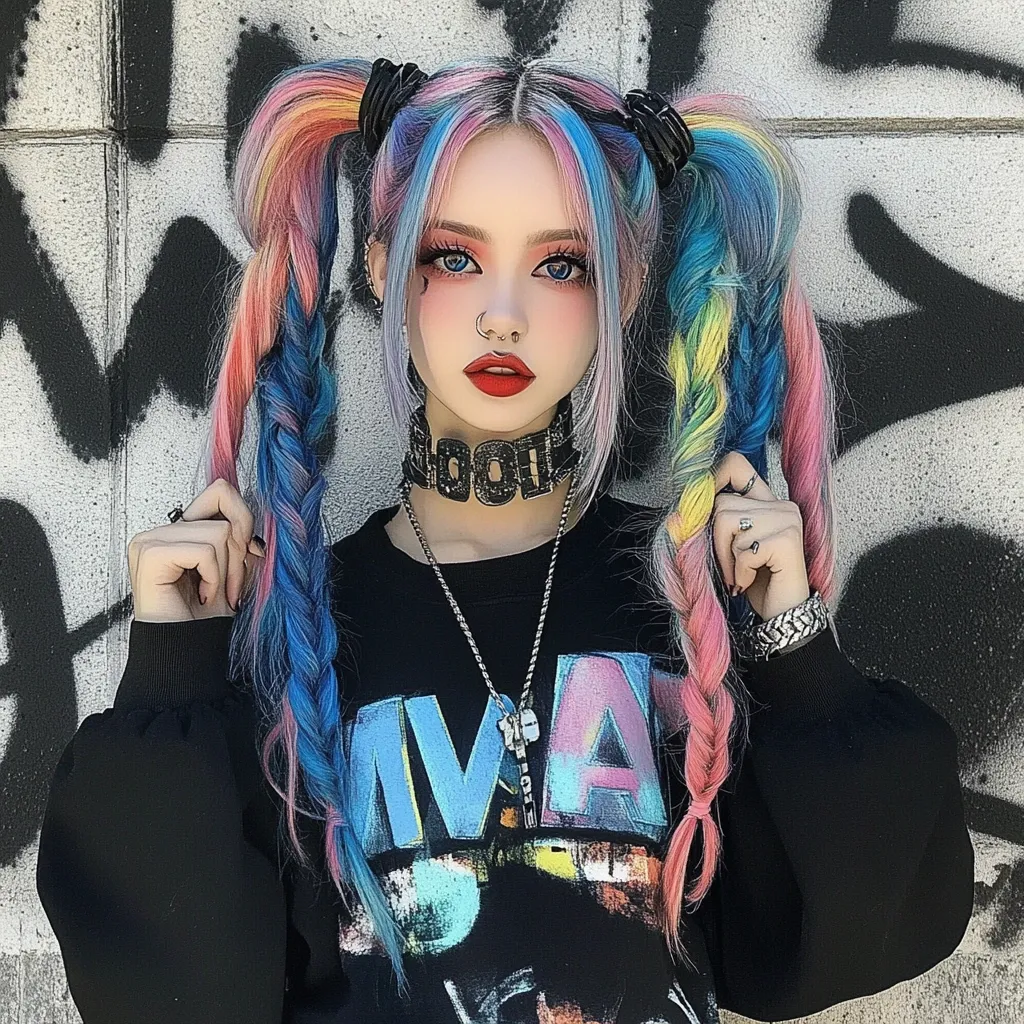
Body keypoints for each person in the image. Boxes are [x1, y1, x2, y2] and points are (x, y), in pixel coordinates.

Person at [35, 55, 974, 1024]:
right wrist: (172, 675)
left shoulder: (688, 608)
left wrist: (796, 651)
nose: (503, 313)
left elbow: (841, 942)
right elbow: (168, 993)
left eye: (560, 264)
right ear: (380, 266)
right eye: (455, 255)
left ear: (625, 285)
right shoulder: (295, 625)